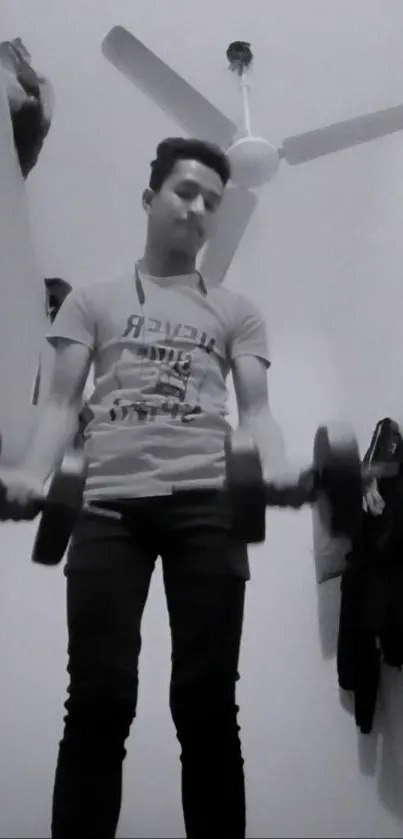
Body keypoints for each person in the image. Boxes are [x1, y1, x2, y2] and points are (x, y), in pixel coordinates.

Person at [2, 137, 290, 839]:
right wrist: (27, 476)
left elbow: (255, 412)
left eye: (212, 203)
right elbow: (60, 406)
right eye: (184, 192)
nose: (197, 208)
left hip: (207, 507)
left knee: (206, 704)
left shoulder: (236, 310)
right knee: (98, 701)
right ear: (149, 198)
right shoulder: (92, 303)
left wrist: (277, 466)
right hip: (105, 508)